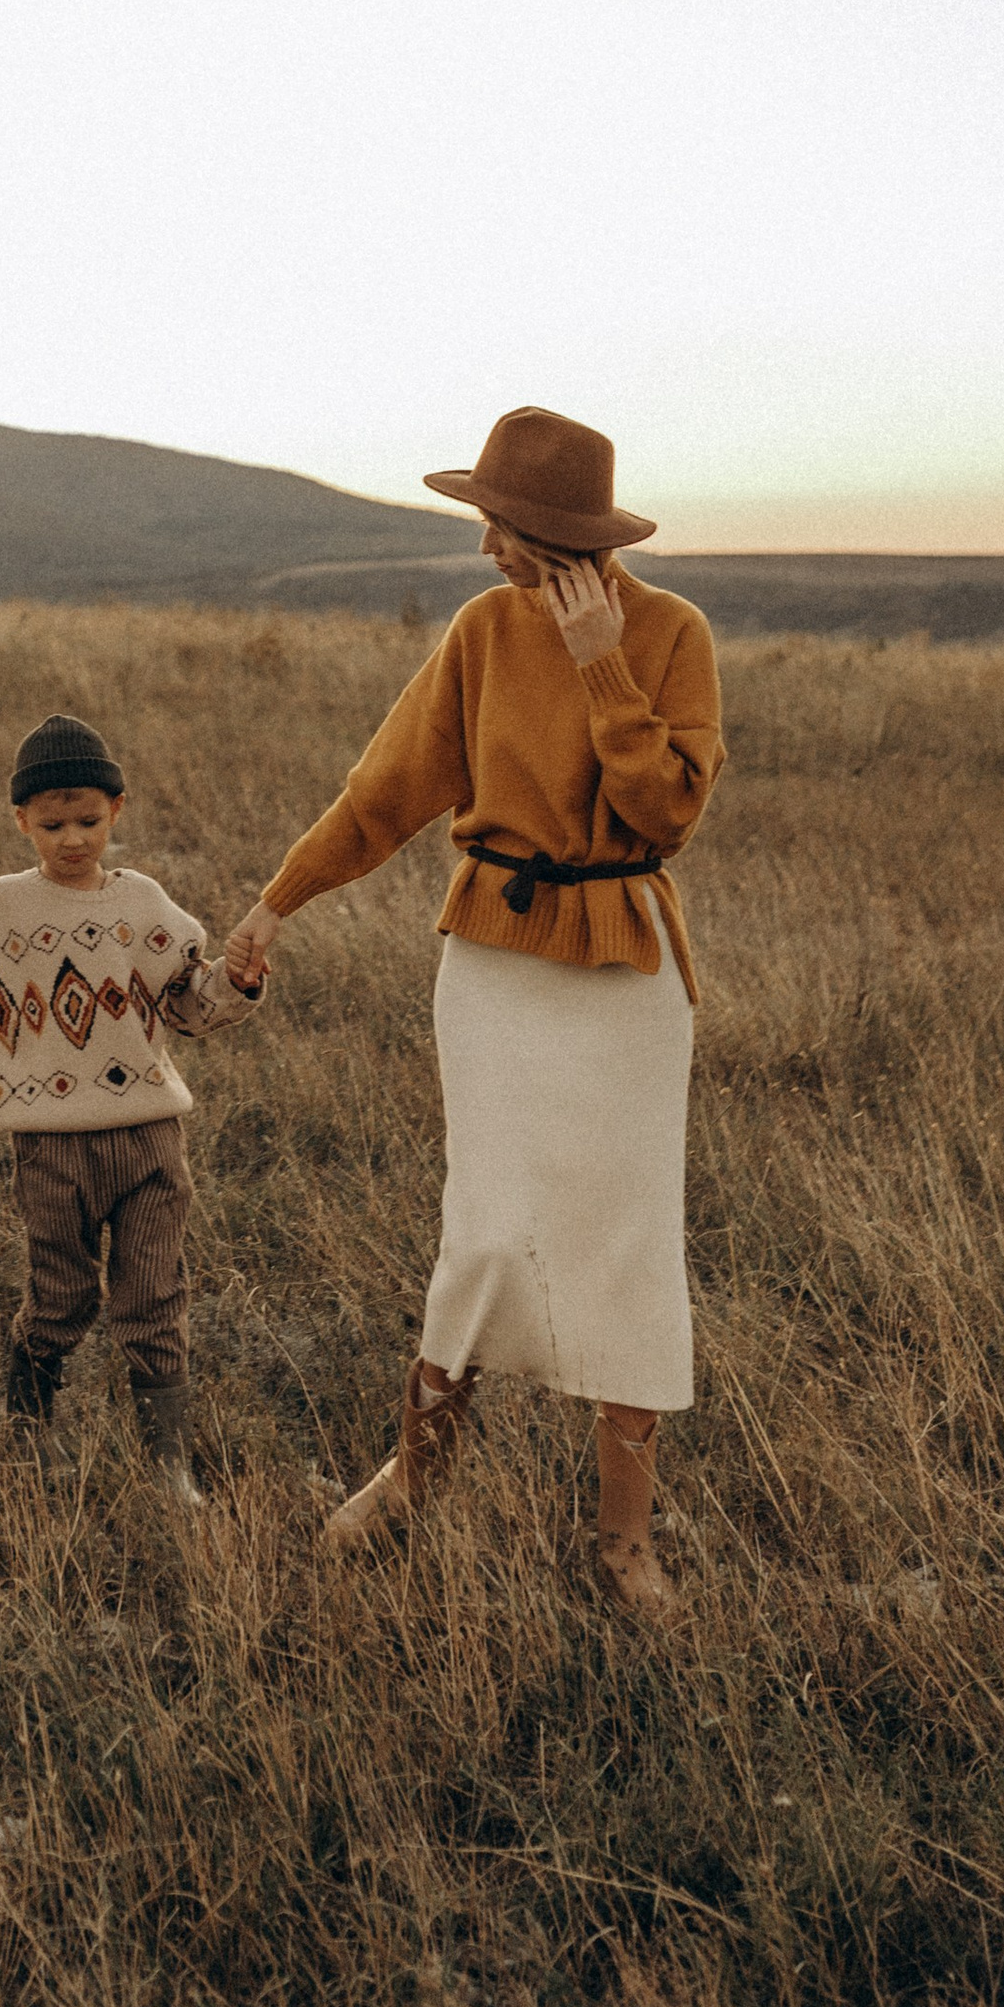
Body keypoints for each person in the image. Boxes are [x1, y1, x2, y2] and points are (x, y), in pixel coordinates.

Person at [225, 408, 724, 1618]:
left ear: (553, 533)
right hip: (493, 966)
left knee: (624, 1243)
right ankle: (414, 1475)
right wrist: (271, 907)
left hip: (625, 974)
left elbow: (662, 814)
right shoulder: (481, 631)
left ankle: (620, 1540)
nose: (485, 546)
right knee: (489, 1231)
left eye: (497, 526)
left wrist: (604, 664)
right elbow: (382, 793)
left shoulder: (670, 634)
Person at [0, 711, 263, 1506]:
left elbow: (191, 1005)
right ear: (22, 821)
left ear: (117, 810)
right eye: (52, 824)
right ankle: (27, 1438)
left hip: (152, 1141)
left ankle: (170, 1467)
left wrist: (240, 978)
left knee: (153, 1295)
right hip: (49, 1149)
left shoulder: (146, 906)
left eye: (89, 820)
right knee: (62, 1296)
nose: (72, 839)